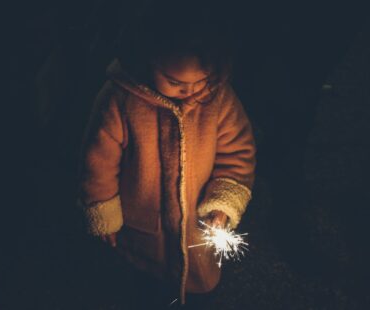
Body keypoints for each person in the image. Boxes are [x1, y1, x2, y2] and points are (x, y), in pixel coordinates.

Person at [78, 1, 256, 306]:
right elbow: (98, 162)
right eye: (175, 82)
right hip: (144, 227)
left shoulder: (219, 99)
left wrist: (223, 203)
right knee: (145, 285)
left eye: (201, 80)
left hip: (195, 234)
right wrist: (102, 207)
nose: (190, 91)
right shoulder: (120, 100)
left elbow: (236, 153)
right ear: (148, 58)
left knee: (198, 289)